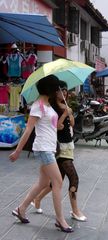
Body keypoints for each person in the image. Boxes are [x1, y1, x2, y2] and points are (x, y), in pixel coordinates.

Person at [9, 75, 73, 233]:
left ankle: (21, 209)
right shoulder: (38, 105)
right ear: (51, 89)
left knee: (43, 183)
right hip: (43, 149)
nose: (60, 90)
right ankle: (60, 220)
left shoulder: (48, 105)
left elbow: (53, 127)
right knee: (57, 182)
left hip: (49, 147)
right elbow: (29, 129)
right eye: (57, 88)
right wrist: (17, 151)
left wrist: (65, 116)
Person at [31, 81, 87, 222]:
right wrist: (64, 114)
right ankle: (75, 211)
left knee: (57, 181)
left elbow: (71, 125)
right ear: (55, 92)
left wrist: (70, 114)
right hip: (60, 148)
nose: (64, 92)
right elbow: (57, 127)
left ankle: (37, 199)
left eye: (66, 90)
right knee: (74, 179)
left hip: (69, 146)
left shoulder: (65, 106)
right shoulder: (53, 108)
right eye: (61, 90)